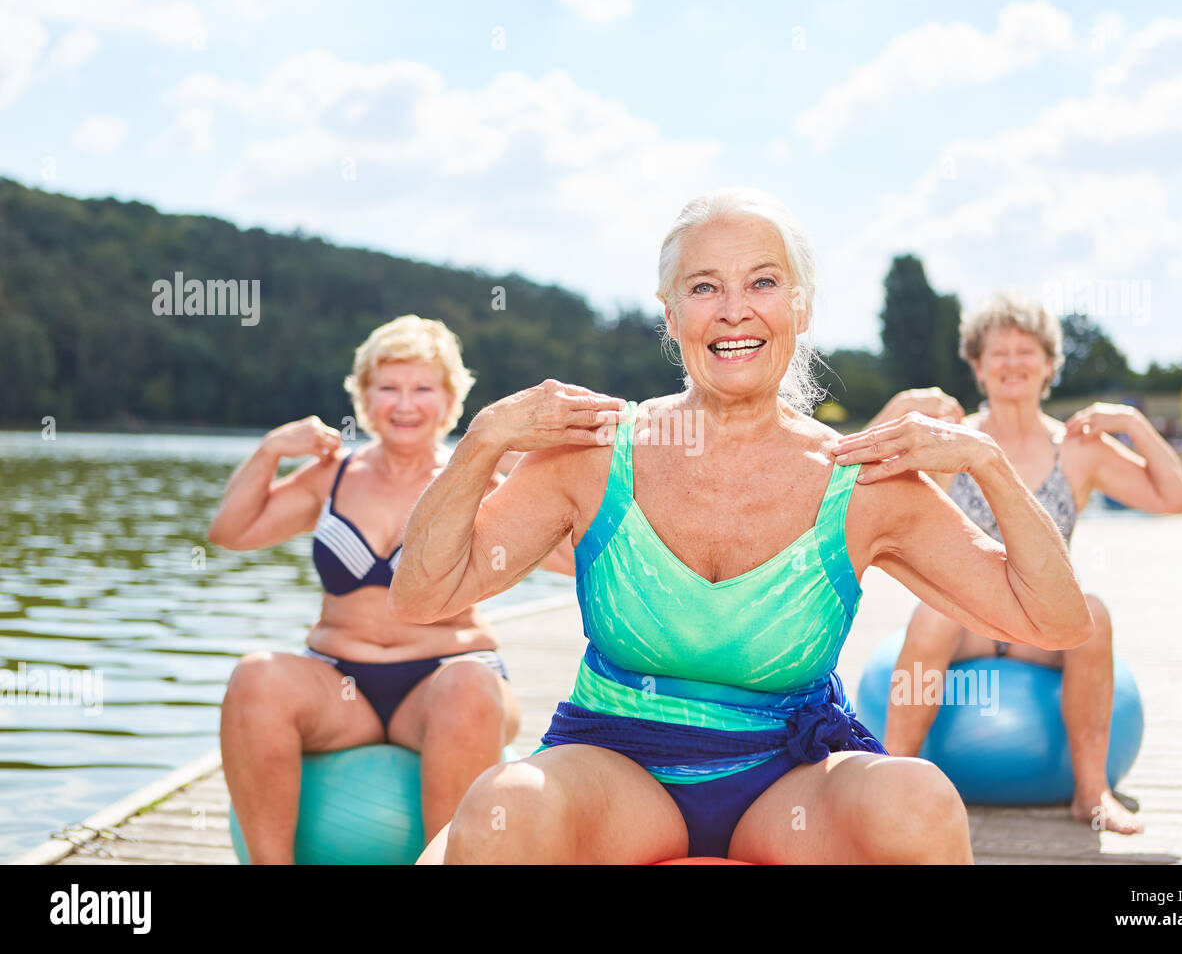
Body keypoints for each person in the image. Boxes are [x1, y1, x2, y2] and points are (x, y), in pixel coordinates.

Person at [390, 189, 1094, 864]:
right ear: (669, 314)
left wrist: (990, 463)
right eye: (704, 288)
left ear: (801, 307)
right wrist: (480, 441)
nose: (733, 312)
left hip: (783, 787)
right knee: (502, 806)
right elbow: (423, 595)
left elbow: (1054, 620)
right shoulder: (596, 454)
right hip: (615, 773)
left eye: (761, 283)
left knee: (920, 800)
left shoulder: (862, 479)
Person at [209, 314, 561, 863]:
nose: (404, 404)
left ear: (449, 402)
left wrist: (530, 476)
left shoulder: (480, 478)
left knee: (466, 690)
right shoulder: (334, 474)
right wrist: (271, 450)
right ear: (364, 398)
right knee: (255, 676)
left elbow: (572, 550)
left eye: (422, 389)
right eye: (388, 388)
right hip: (338, 685)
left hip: (446, 684)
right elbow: (231, 531)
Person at [863, 292, 1182, 833]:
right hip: (965, 621)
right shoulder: (947, 442)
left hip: (1042, 626)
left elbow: (1177, 498)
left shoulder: (1080, 448)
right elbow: (849, 483)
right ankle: (895, 783)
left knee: (1096, 616)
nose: (1012, 362)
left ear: (1049, 366)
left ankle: (1091, 793)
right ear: (976, 364)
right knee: (932, 613)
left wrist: (1132, 423)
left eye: (1026, 351)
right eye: (998, 352)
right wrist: (900, 408)